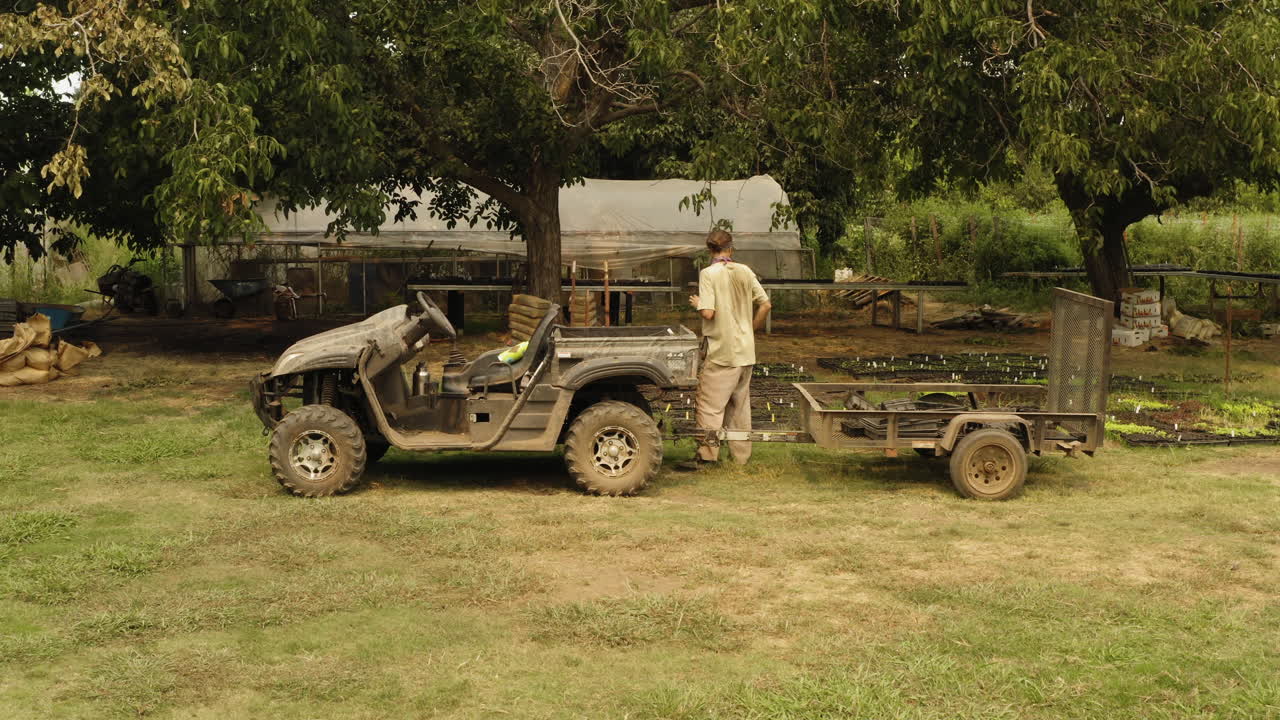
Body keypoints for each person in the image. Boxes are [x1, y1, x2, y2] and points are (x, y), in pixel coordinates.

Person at [680, 229, 771, 469]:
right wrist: (750, 331)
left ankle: (707, 456)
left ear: (710, 250)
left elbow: (709, 313)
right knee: (739, 406)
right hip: (745, 351)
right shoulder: (744, 271)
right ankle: (740, 458)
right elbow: (765, 305)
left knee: (710, 405)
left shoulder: (709, 274)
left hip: (722, 352)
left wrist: (698, 304)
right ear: (731, 248)